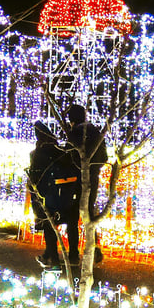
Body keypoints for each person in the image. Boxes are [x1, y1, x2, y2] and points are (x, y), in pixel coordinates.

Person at [28, 120, 81, 268]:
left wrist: (36, 196)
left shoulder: (38, 153)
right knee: (72, 225)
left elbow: (35, 178)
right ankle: (73, 256)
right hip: (69, 195)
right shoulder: (62, 150)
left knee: (49, 225)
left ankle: (53, 258)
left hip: (48, 196)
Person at [65, 104, 108, 264]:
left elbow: (67, 157)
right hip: (93, 180)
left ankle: (74, 254)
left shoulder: (75, 133)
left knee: (72, 217)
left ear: (71, 119)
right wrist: (94, 170)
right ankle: (94, 249)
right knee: (89, 214)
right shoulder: (96, 132)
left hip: (76, 180)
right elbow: (104, 157)